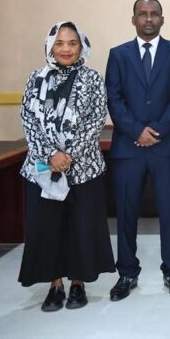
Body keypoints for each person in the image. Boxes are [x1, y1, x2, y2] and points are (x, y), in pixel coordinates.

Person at [18, 21, 115, 311]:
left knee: (81, 229)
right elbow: (28, 120)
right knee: (48, 229)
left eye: (72, 43)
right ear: (50, 46)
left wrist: (67, 155)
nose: (66, 49)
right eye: (59, 43)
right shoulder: (36, 78)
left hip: (83, 170)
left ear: (81, 46)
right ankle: (55, 285)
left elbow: (96, 120)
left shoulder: (93, 79)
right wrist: (50, 155)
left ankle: (77, 284)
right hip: (42, 171)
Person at [105, 0, 170, 300]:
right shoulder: (118, 54)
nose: (149, 19)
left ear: (162, 19)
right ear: (134, 20)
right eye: (143, 14)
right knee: (126, 213)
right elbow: (113, 98)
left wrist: (156, 130)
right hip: (129, 147)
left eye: (154, 14)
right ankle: (127, 272)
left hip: (166, 145)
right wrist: (136, 130)